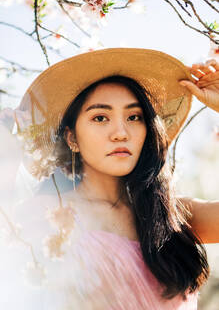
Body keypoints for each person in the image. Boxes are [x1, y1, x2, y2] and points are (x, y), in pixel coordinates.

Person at [0, 48, 218, 310]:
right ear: (71, 138)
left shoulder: (172, 215)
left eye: (134, 117)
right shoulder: (45, 214)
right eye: (100, 117)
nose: (120, 133)